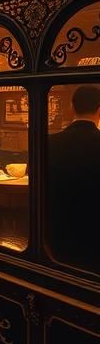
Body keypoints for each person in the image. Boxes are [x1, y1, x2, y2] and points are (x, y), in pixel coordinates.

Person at [47, 85, 100, 270]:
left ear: (72, 107)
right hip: (94, 231)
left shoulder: (51, 142)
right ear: (99, 109)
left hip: (57, 228)